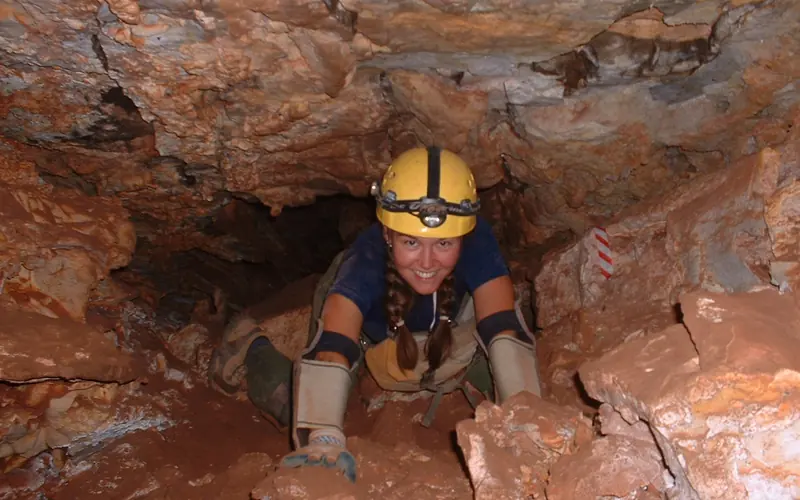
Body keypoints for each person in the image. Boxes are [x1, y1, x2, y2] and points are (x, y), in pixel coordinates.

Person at [210, 146, 542, 483]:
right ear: (387, 233)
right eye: (411, 243)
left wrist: (526, 417)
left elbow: (503, 328)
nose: (427, 263)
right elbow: (333, 345)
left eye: (444, 244)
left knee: (504, 386)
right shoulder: (364, 262)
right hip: (372, 336)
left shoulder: (477, 240)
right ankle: (250, 347)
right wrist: (322, 437)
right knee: (292, 405)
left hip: (446, 328)